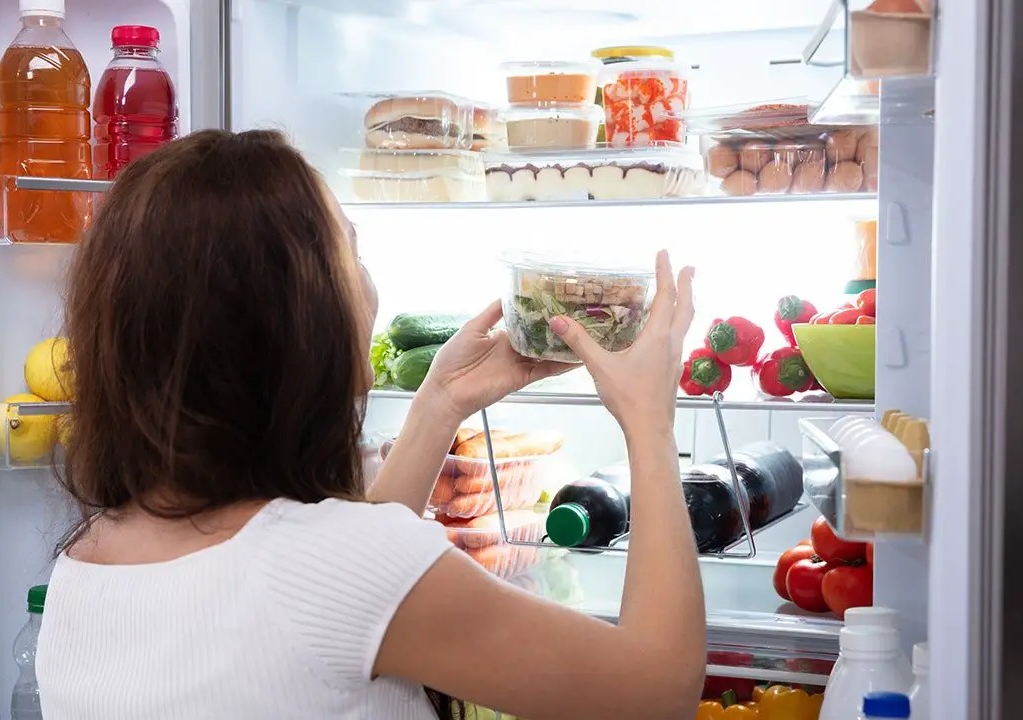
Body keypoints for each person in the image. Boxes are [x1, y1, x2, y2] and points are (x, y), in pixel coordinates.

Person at [36, 128, 705, 720]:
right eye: (349, 252)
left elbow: (325, 618)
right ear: (298, 324)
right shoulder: (339, 566)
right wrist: (649, 424)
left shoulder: (87, 560)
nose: (365, 280)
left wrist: (439, 404)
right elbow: (657, 692)